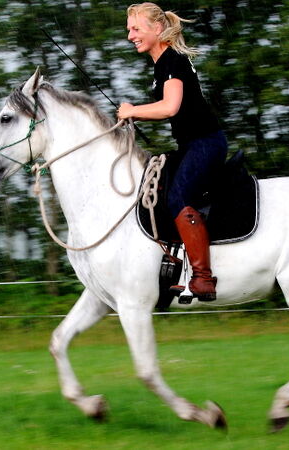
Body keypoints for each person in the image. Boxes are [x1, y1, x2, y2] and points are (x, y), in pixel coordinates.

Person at [117, 2, 227, 301]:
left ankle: (203, 278)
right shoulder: (162, 63)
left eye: (136, 29)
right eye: (129, 30)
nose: (130, 36)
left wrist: (132, 111)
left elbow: (170, 107)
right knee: (163, 189)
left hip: (206, 143)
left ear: (157, 28)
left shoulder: (172, 61)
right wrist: (135, 114)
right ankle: (174, 266)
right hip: (193, 144)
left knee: (178, 196)